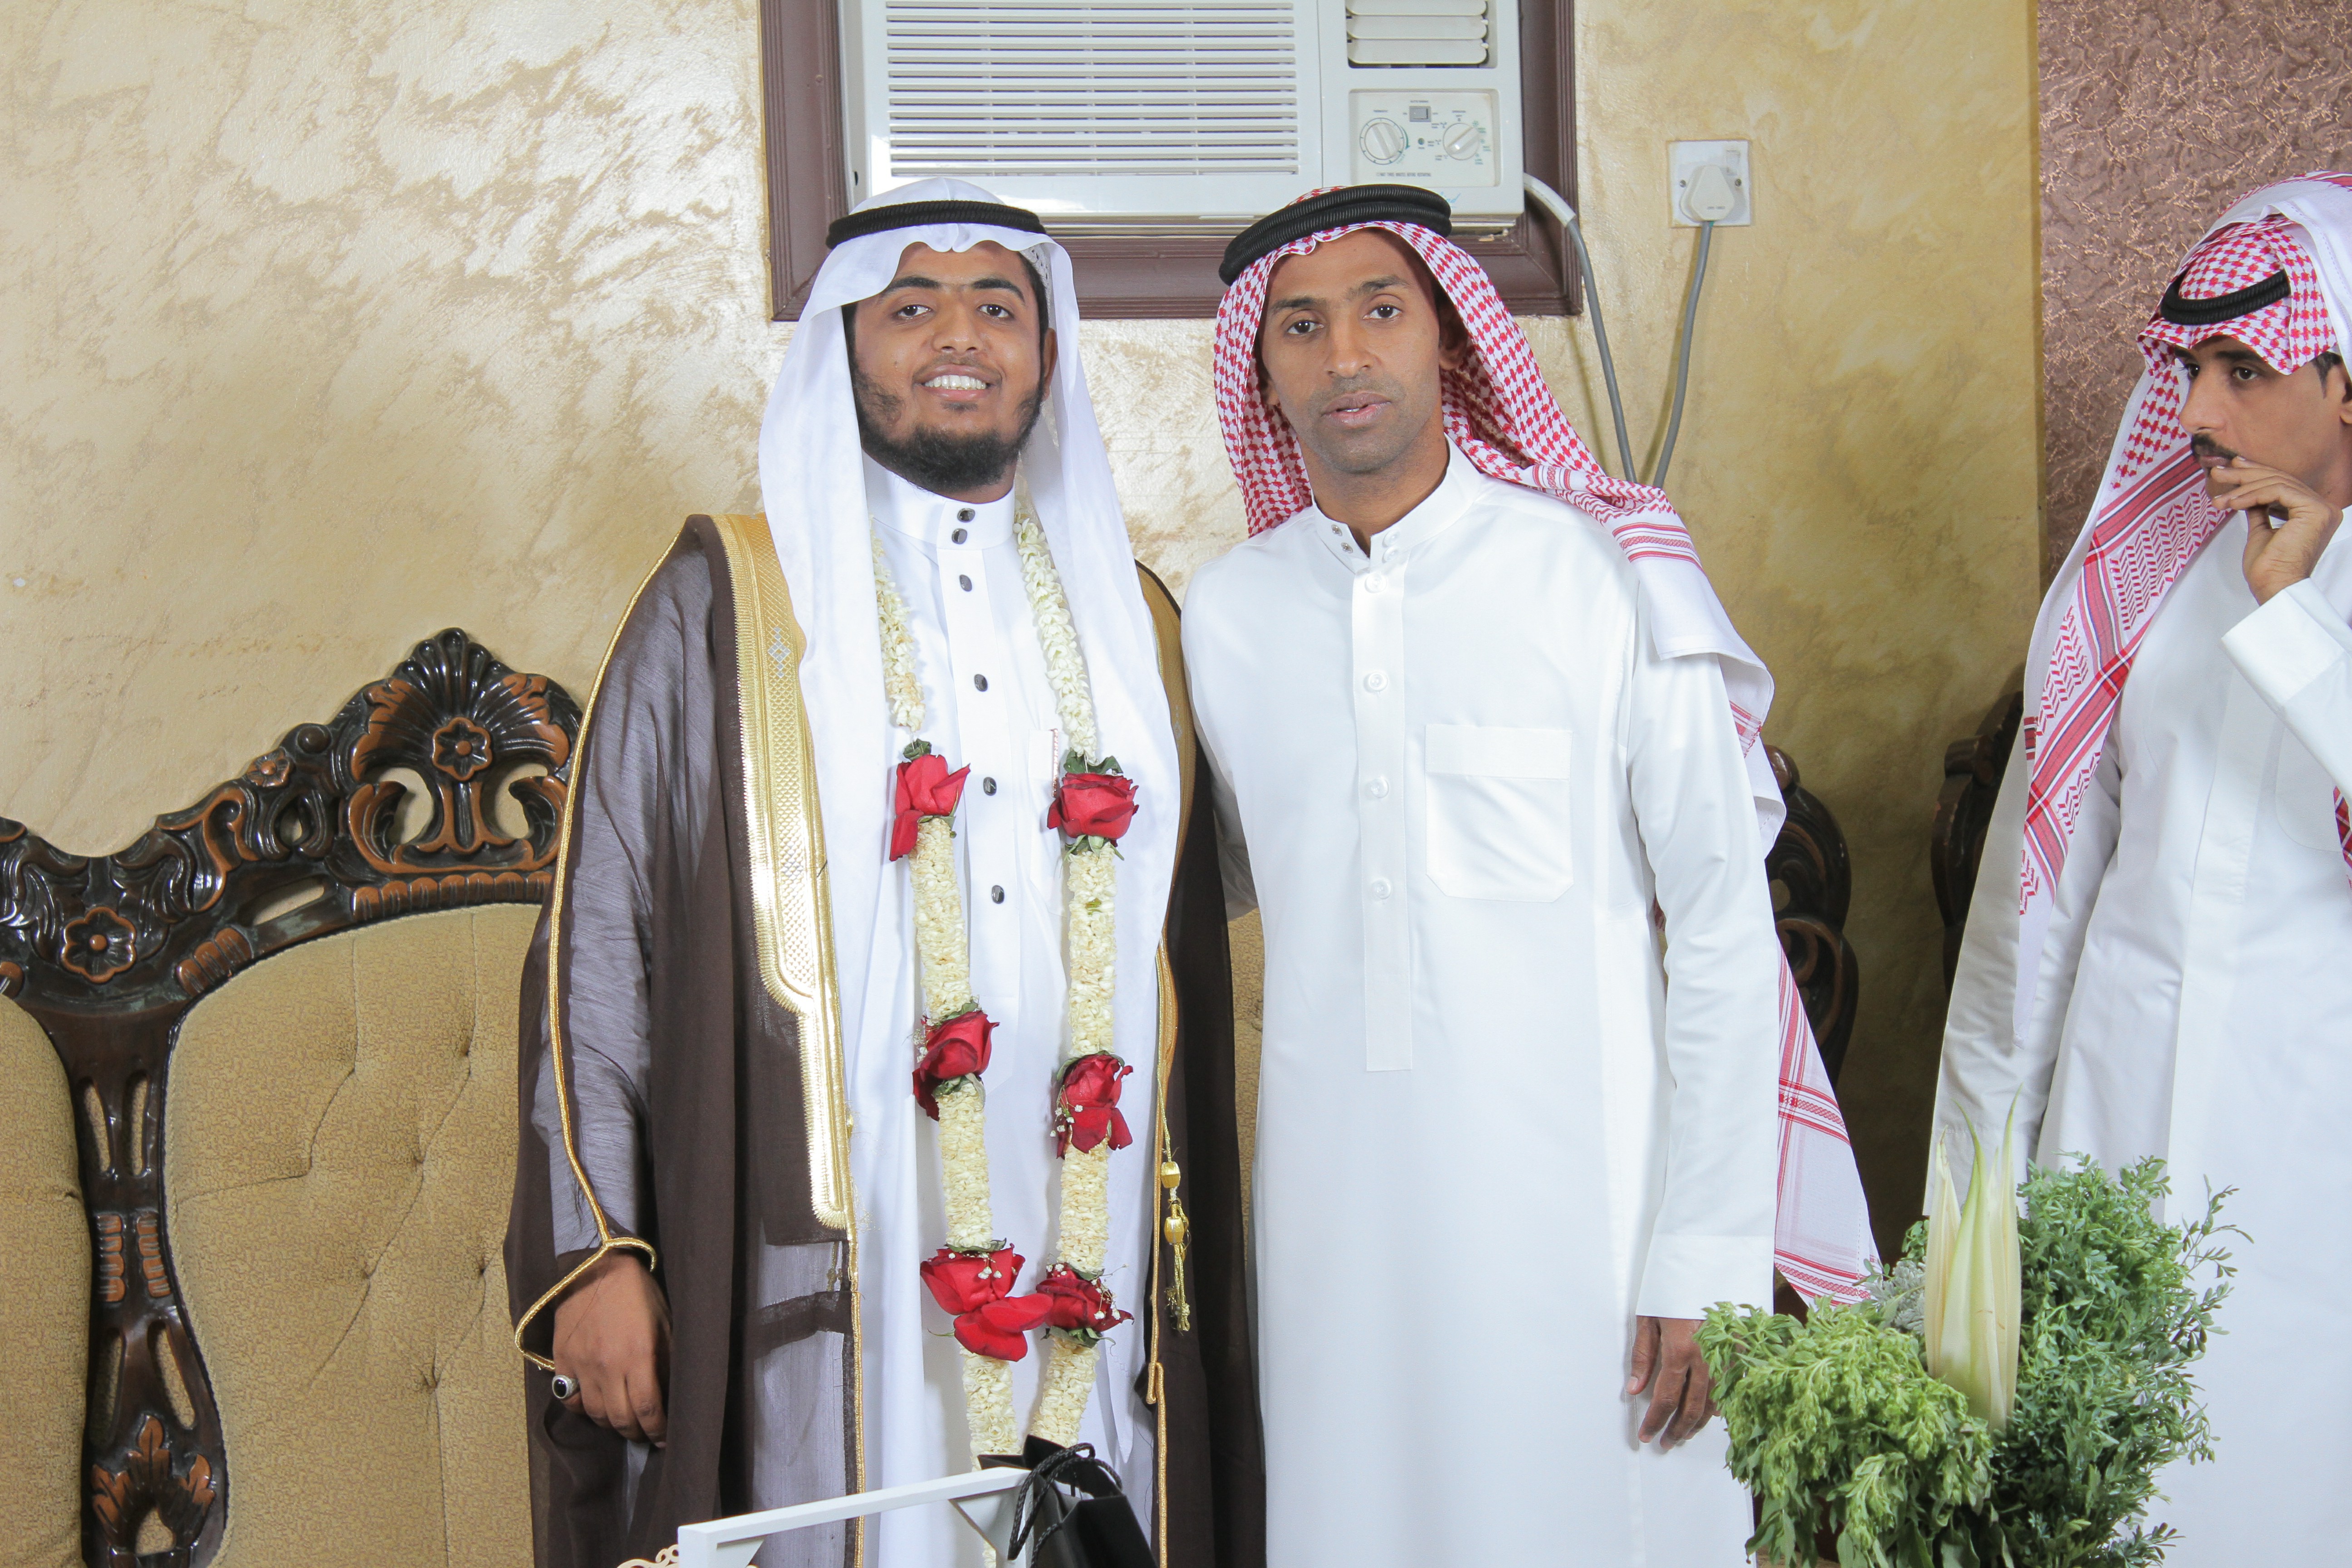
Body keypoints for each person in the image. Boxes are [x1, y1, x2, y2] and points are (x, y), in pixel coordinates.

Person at [504, 180, 1262, 1568]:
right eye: (912, 307)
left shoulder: (1136, 620)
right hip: (834, 1240)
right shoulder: (729, 605)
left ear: (1046, 349)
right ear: (847, 347)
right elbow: (601, 938)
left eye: (996, 306)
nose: (957, 336)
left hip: (1089, 1237)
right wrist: (597, 1251)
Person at [1179, 184, 1877, 1566]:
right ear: (1261, 370)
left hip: (1596, 1239)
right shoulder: (1226, 617)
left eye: (1382, 310)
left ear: (1448, 332)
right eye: (1301, 326)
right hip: (1338, 1248)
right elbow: (1209, 891)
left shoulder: (1605, 577)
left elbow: (1725, 929)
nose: (1345, 356)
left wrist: (1709, 1254)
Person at [1936, 171, 2352, 1560]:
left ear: (2347, 383)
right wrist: (1985, 1188)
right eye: (2189, 370)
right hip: (2109, 1123)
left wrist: (2296, 619)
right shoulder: (2152, 574)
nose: (2198, 414)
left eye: (2244, 371)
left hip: (2306, 1153)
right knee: (2100, 1511)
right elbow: (2037, 909)